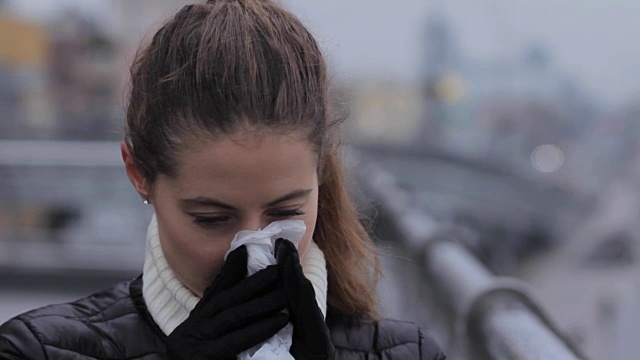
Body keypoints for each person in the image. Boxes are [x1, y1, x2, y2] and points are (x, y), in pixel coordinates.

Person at [0, 1, 446, 359]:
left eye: (286, 212)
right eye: (212, 218)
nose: (255, 248)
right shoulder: (36, 349)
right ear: (139, 175)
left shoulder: (408, 352)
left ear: (320, 176)